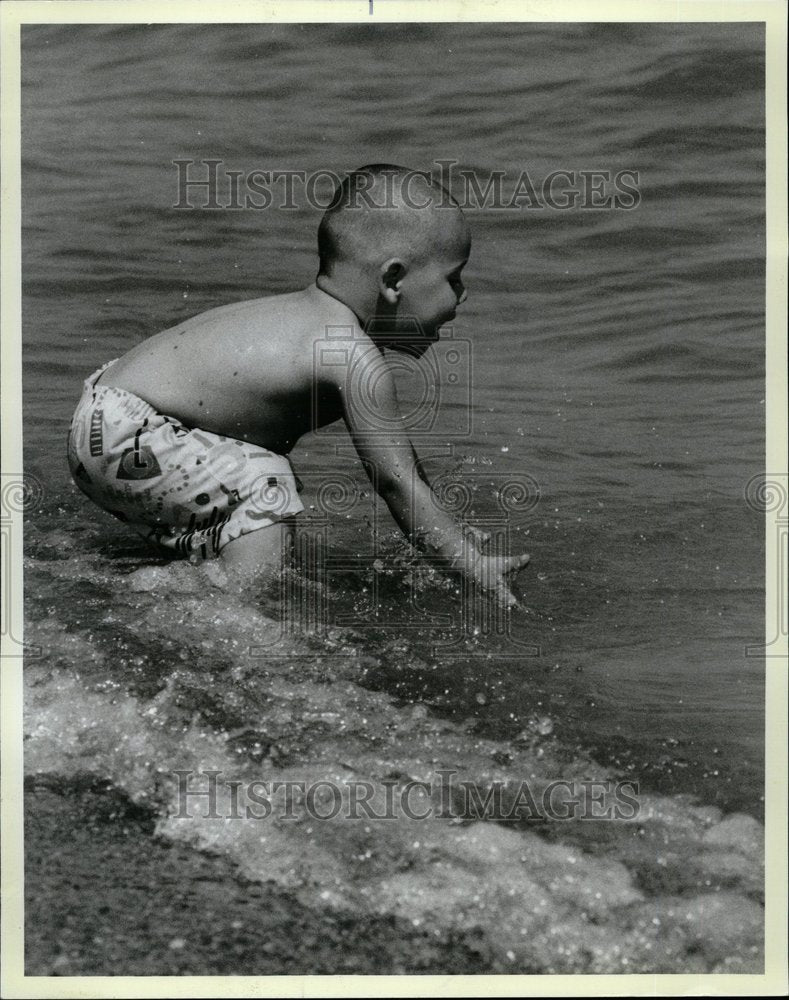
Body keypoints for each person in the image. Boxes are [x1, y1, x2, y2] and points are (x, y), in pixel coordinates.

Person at [67, 164, 530, 606]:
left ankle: (178, 585)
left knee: (249, 485)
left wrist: (447, 533)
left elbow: (401, 466)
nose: (463, 294)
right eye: (454, 277)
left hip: (107, 417)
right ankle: (231, 616)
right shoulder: (351, 353)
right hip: (130, 432)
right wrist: (467, 563)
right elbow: (394, 481)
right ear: (393, 280)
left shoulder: (311, 319)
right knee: (267, 484)